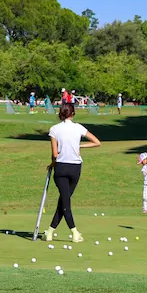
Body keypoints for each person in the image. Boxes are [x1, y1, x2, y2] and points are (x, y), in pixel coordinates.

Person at [44, 103, 101, 243]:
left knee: (65, 201)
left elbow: (54, 154)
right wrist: (79, 146)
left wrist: (52, 164)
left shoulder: (54, 129)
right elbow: (97, 142)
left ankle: (73, 232)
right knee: (65, 200)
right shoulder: (78, 127)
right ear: (73, 114)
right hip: (75, 168)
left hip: (61, 168)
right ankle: (50, 231)